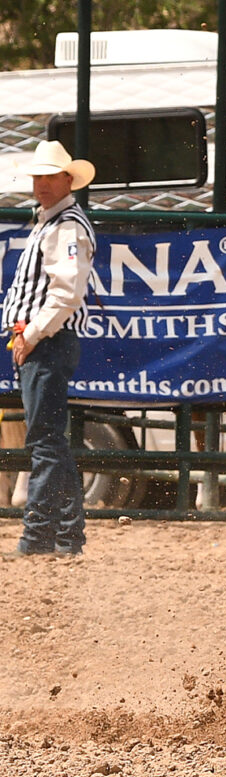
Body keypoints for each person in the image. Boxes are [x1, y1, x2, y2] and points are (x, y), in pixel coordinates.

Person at [2, 140, 97, 559]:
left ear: (66, 179)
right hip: (44, 341)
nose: (40, 183)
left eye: (48, 176)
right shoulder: (53, 222)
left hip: (48, 343)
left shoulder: (65, 226)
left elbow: (65, 295)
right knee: (48, 439)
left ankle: (40, 535)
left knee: (44, 439)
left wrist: (32, 334)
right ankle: (65, 536)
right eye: (37, 176)